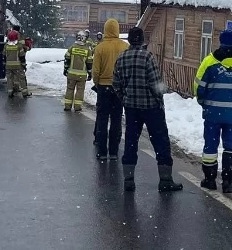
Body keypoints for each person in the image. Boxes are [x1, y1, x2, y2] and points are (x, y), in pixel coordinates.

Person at [113, 26, 182, 193]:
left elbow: (116, 83)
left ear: (129, 40)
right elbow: (155, 83)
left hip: (131, 108)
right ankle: (165, 179)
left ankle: (129, 180)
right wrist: (160, 98)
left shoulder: (121, 58)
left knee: (131, 142)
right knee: (160, 141)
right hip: (151, 108)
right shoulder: (148, 57)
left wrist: (125, 98)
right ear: (142, 40)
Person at [194, 28, 232, 193]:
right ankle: (228, 182)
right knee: (231, 146)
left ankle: (209, 180)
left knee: (210, 146)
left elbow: (199, 87)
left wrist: (203, 102)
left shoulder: (209, 62)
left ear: (220, 42)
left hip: (212, 113)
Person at [90, 18, 128, 161]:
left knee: (102, 118)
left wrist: (97, 82)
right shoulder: (125, 47)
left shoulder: (100, 47)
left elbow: (95, 70)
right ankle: (114, 151)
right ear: (117, 29)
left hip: (103, 87)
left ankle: (102, 151)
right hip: (119, 88)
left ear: (105, 29)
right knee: (116, 119)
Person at [63, 32, 92, 112]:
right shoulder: (87, 50)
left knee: (70, 89)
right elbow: (89, 63)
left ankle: (67, 106)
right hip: (82, 76)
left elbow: (67, 59)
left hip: (71, 74)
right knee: (80, 91)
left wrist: (65, 69)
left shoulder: (72, 47)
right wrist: (90, 74)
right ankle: (77, 107)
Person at [4, 26, 31, 98]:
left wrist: (4, 63)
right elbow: (22, 56)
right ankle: (24, 93)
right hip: (17, 66)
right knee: (22, 78)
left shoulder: (6, 46)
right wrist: (23, 64)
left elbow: (4, 55)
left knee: (9, 79)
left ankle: (10, 92)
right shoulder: (19, 46)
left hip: (8, 66)